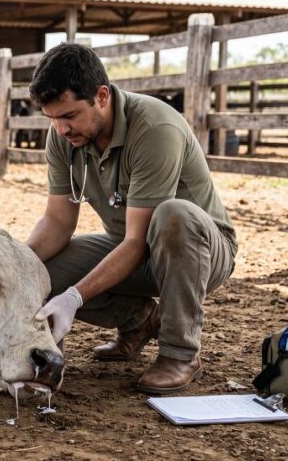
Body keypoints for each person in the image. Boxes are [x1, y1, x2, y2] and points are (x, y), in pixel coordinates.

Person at [26, 43, 237, 393]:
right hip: (131, 246)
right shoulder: (63, 136)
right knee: (43, 271)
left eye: (70, 116)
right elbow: (58, 222)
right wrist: (16, 266)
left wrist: (75, 297)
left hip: (197, 250)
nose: (61, 129)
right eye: (53, 118)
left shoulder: (155, 128)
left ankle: (179, 354)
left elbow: (139, 240)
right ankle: (138, 320)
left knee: (175, 215)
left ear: (103, 96)